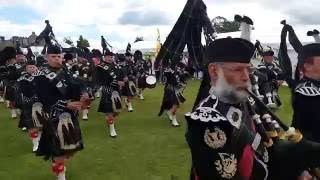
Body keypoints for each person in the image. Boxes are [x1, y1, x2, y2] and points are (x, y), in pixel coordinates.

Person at [185, 37, 320, 180]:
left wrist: (297, 170)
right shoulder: (207, 121)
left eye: (247, 69)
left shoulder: (247, 100)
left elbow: (272, 147)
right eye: (237, 70)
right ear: (214, 71)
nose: (245, 77)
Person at [32, 44, 89, 180]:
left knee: (70, 148)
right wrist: (66, 104)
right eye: (53, 56)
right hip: (53, 115)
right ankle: (61, 175)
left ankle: (59, 167)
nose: (57, 59)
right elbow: (43, 97)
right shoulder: (40, 75)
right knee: (58, 151)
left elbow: (76, 85)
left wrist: (83, 93)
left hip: (70, 114)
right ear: (47, 57)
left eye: (59, 56)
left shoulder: (66, 71)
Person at [96, 51, 123, 137]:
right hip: (107, 90)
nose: (110, 58)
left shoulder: (115, 65)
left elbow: (120, 75)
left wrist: (121, 81)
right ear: (104, 57)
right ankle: (112, 129)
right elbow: (100, 79)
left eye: (111, 57)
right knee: (109, 111)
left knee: (117, 110)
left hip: (117, 91)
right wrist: (115, 82)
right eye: (108, 56)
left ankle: (110, 121)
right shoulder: (101, 67)